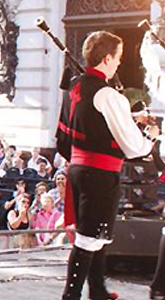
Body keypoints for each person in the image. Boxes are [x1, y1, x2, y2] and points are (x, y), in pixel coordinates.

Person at [59, 31, 159, 300]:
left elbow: (88, 124)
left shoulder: (76, 87)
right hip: (100, 175)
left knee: (97, 235)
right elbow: (133, 147)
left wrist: (129, 117)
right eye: (118, 58)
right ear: (106, 58)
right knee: (88, 240)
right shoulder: (108, 94)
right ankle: (71, 296)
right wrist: (150, 136)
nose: (118, 64)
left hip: (80, 170)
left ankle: (98, 291)